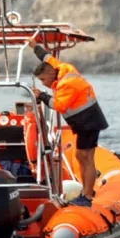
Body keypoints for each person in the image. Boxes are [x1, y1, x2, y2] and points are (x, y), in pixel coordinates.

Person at [29, 37, 109, 207]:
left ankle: (87, 196)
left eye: (43, 80)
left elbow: (59, 105)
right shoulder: (62, 68)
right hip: (87, 121)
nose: (44, 83)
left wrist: (41, 95)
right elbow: (47, 57)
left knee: (85, 157)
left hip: (88, 122)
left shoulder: (67, 83)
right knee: (82, 156)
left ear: (50, 74)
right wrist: (35, 46)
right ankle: (88, 189)